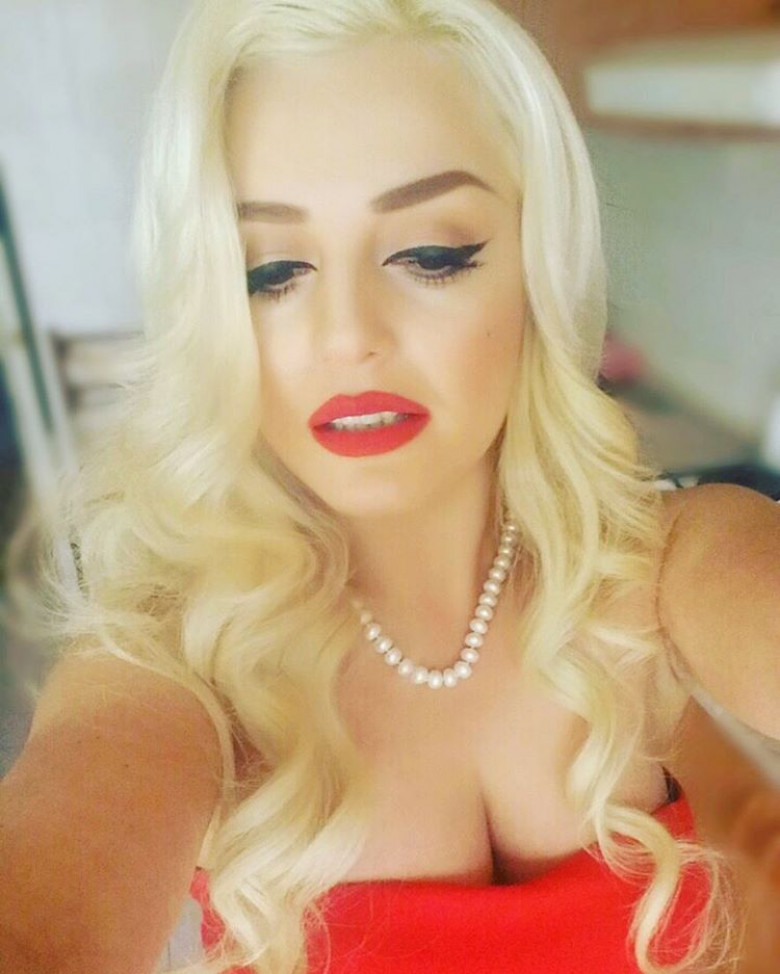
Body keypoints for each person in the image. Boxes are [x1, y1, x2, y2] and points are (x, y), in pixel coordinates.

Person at [1, 1, 778, 972]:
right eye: (271, 272)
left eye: (429, 256)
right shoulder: (176, 663)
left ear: (536, 266)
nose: (346, 336)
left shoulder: (667, 564)